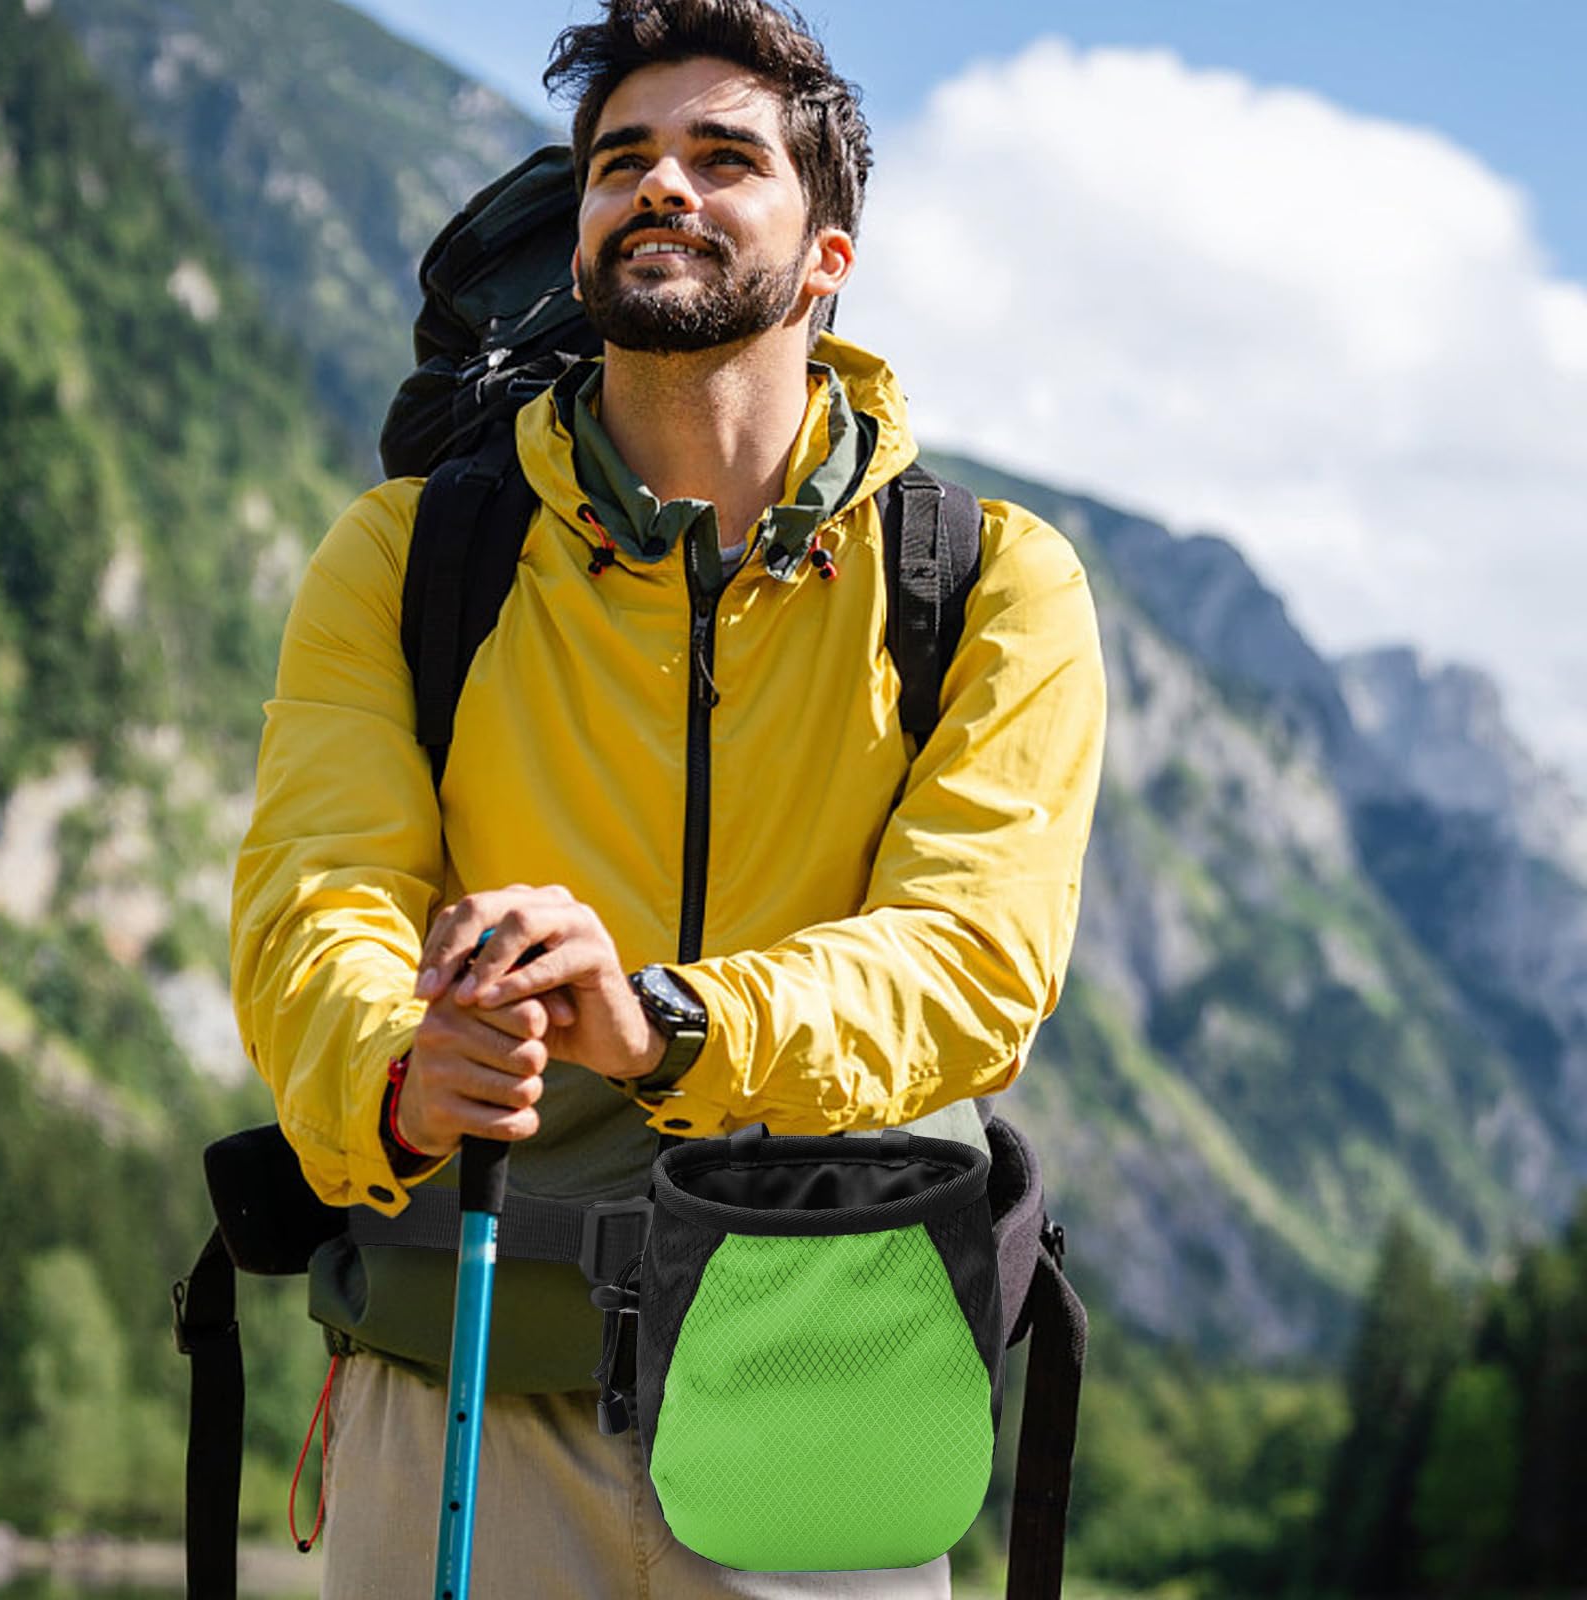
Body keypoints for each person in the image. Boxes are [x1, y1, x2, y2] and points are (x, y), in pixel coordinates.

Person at [230, 0, 1107, 1594]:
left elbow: (975, 958)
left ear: (827, 257)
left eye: (724, 157)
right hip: (465, 1380)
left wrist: (673, 1025)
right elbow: (316, 898)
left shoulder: (990, 586)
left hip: (824, 1389)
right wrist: (399, 1069)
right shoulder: (411, 554)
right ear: (578, 243)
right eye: (622, 159)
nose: (662, 187)